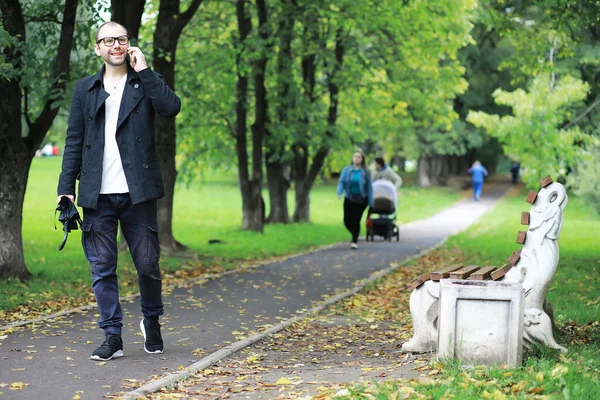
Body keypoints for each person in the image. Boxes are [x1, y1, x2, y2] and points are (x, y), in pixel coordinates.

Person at [57, 21, 181, 361]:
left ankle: (152, 322)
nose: (115, 45)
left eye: (121, 39)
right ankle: (112, 336)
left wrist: (146, 70)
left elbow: (171, 108)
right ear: (97, 48)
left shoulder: (144, 83)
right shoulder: (85, 89)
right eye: (108, 40)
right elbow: (74, 141)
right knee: (102, 267)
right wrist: (65, 189)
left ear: (129, 46)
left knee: (147, 264)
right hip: (97, 193)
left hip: (137, 191)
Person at [337, 151, 374, 249]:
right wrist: (339, 193)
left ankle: (354, 240)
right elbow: (341, 182)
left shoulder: (365, 172)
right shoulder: (346, 170)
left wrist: (371, 202)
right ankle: (355, 233)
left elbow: (370, 187)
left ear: (362, 160)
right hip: (349, 198)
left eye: (359, 157)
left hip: (361, 199)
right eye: (355, 156)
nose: (356, 158)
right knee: (346, 220)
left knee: (356, 219)